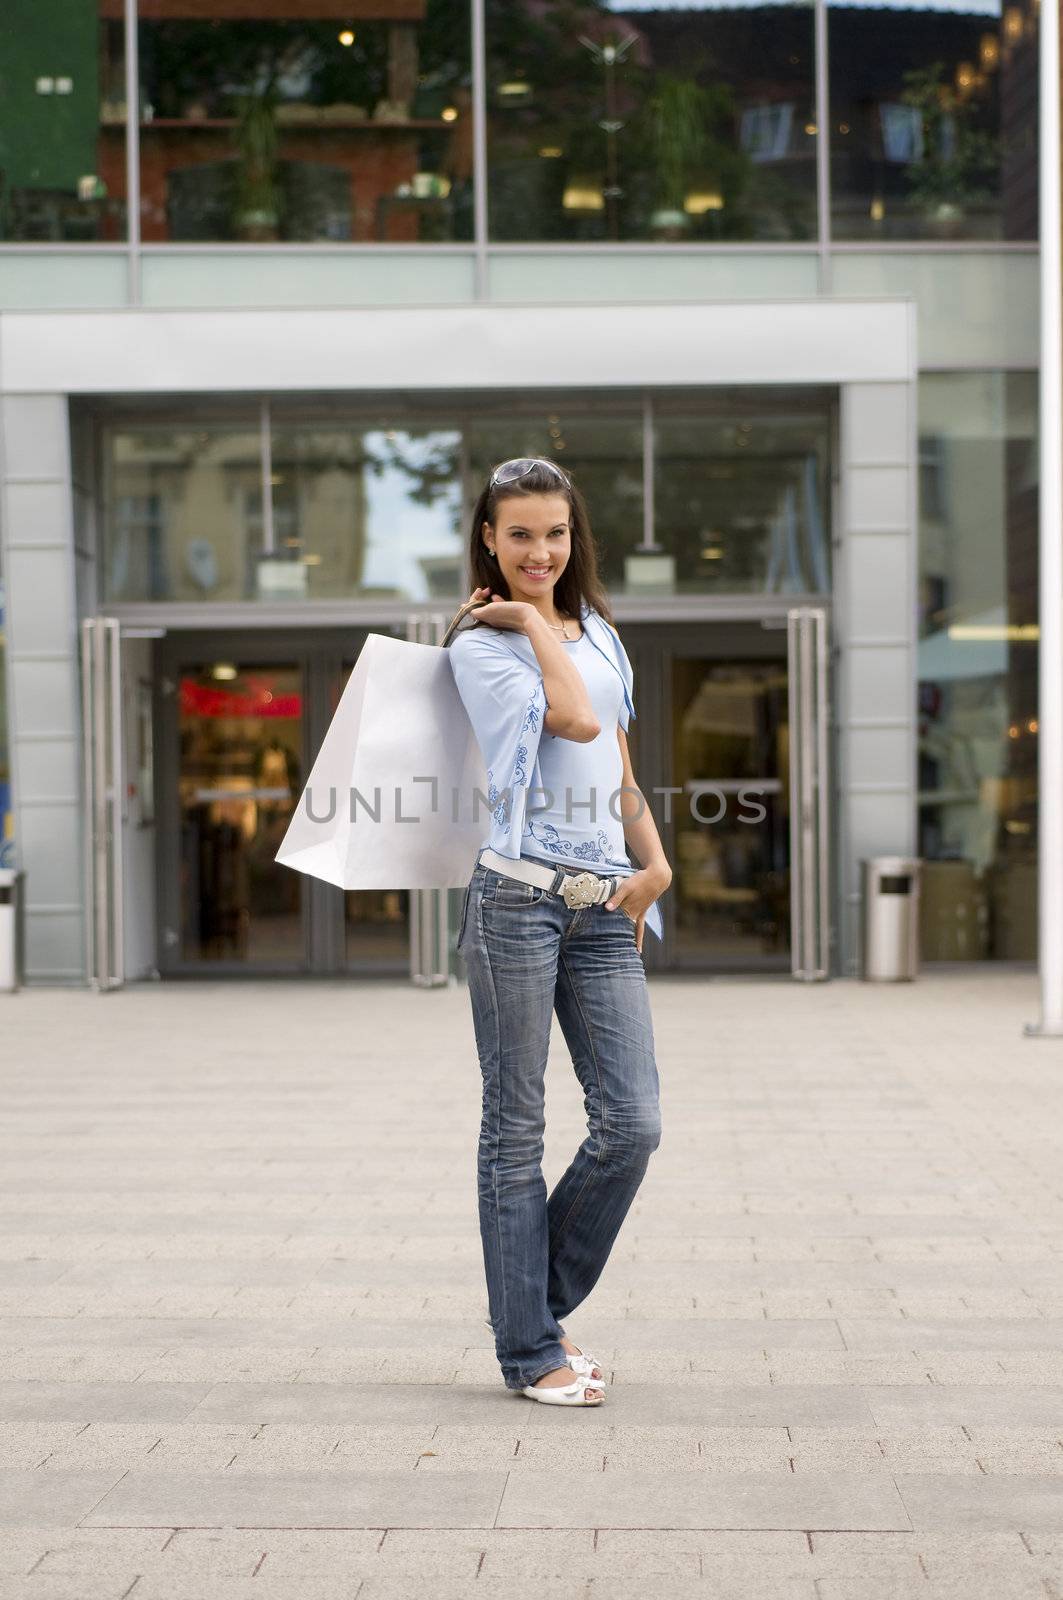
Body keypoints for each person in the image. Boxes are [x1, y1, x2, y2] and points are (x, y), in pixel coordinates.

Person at [447, 456, 672, 1407]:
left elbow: (616, 756)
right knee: (516, 1127)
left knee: (632, 1124)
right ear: (490, 543)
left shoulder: (605, 635)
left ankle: (527, 1311)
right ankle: (528, 1349)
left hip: (605, 902)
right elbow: (572, 721)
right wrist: (533, 622)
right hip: (517, 901)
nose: (540, 551)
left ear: (573, 538)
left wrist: (656, 862)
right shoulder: (483, 648)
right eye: (520, 535)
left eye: (555, 533)